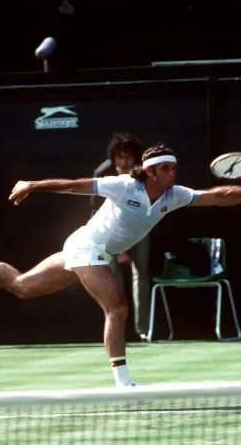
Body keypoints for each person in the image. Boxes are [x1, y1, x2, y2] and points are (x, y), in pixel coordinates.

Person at [0, 143, 241, 386]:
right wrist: (32, 185)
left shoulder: (174, 195)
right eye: (165, 168)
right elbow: (75, 185)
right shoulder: (124, 185)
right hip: (87, 246)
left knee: (23, 287)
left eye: (174, 167)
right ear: (149, 172)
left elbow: (217, 196)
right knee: (117, 308)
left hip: (89, 250)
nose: (172, 172)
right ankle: (124, 383)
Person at [91, 133, 152, 340]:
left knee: (141, 276)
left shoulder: (144, 174)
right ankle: (117, 330)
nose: (125, 162)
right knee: (110, 281)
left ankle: (143, 330)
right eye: (120, 157)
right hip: (106, 234)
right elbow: (96, 212)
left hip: (139, 230)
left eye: (129, 157)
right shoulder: (102, 174)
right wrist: (119, 250)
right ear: (114, 158)